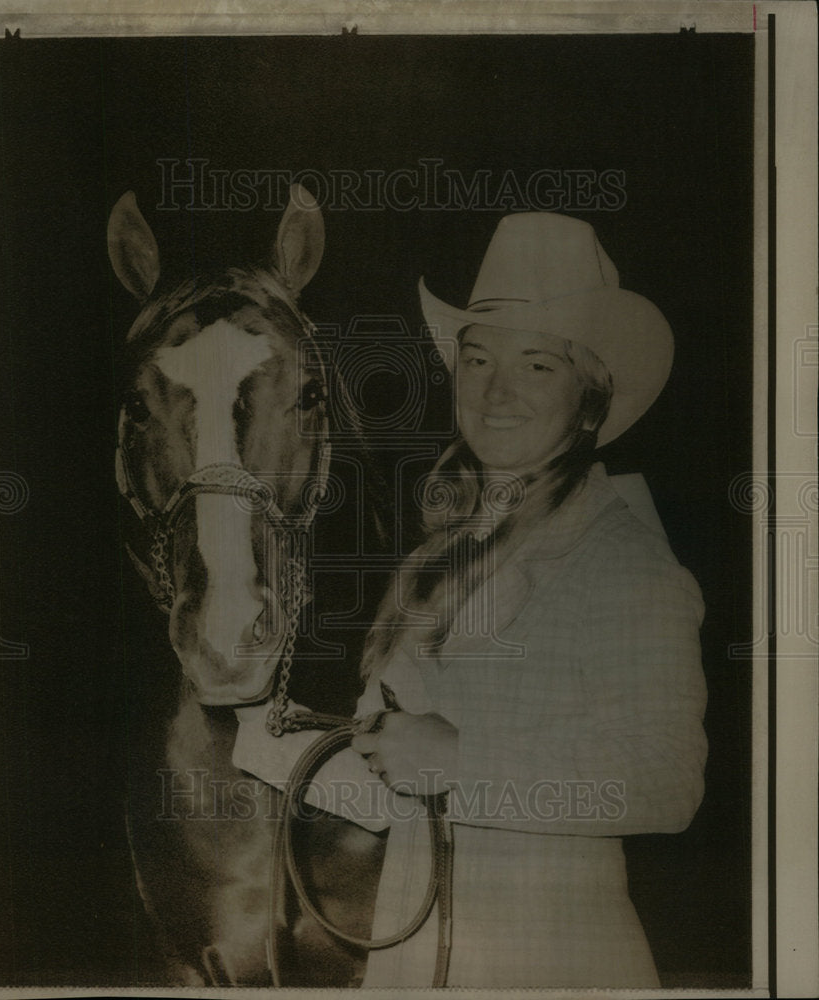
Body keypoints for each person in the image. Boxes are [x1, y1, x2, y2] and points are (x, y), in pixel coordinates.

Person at [234, 211, 707, 988]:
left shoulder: (626, 563)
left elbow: (666, 782)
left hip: (555, 968)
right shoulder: (441, 559)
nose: (495, 392)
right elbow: (395, 797)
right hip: (417, 965)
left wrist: (458, 758)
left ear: (591, 395)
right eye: (478, 359)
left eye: (538, 367)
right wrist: (262, 737)